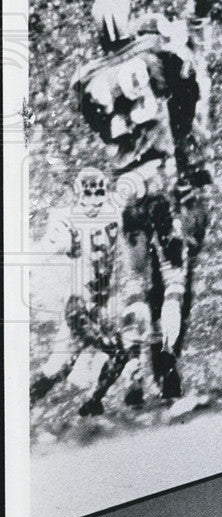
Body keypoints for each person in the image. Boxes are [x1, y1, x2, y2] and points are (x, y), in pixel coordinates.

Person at [71, 0, 213, 400]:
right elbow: (185, 88)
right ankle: (164, 375)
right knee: (175, 275)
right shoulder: (162, 51)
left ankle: (136, 369)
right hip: (170, 170)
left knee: (137, 283)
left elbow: (98, 119)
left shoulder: (88, 78)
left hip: (129, 178)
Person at [30, 168, 143, 416]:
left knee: (62, 367)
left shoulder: (114, 211)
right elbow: (48, 247)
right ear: (79, 194)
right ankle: (28, 402)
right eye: (88, 194)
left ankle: (92, 404)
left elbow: (135, 188)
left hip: (101, 304)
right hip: (80, 306)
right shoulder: (67, 219)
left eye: (98, 193)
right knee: (61, 367)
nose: (93, 200)